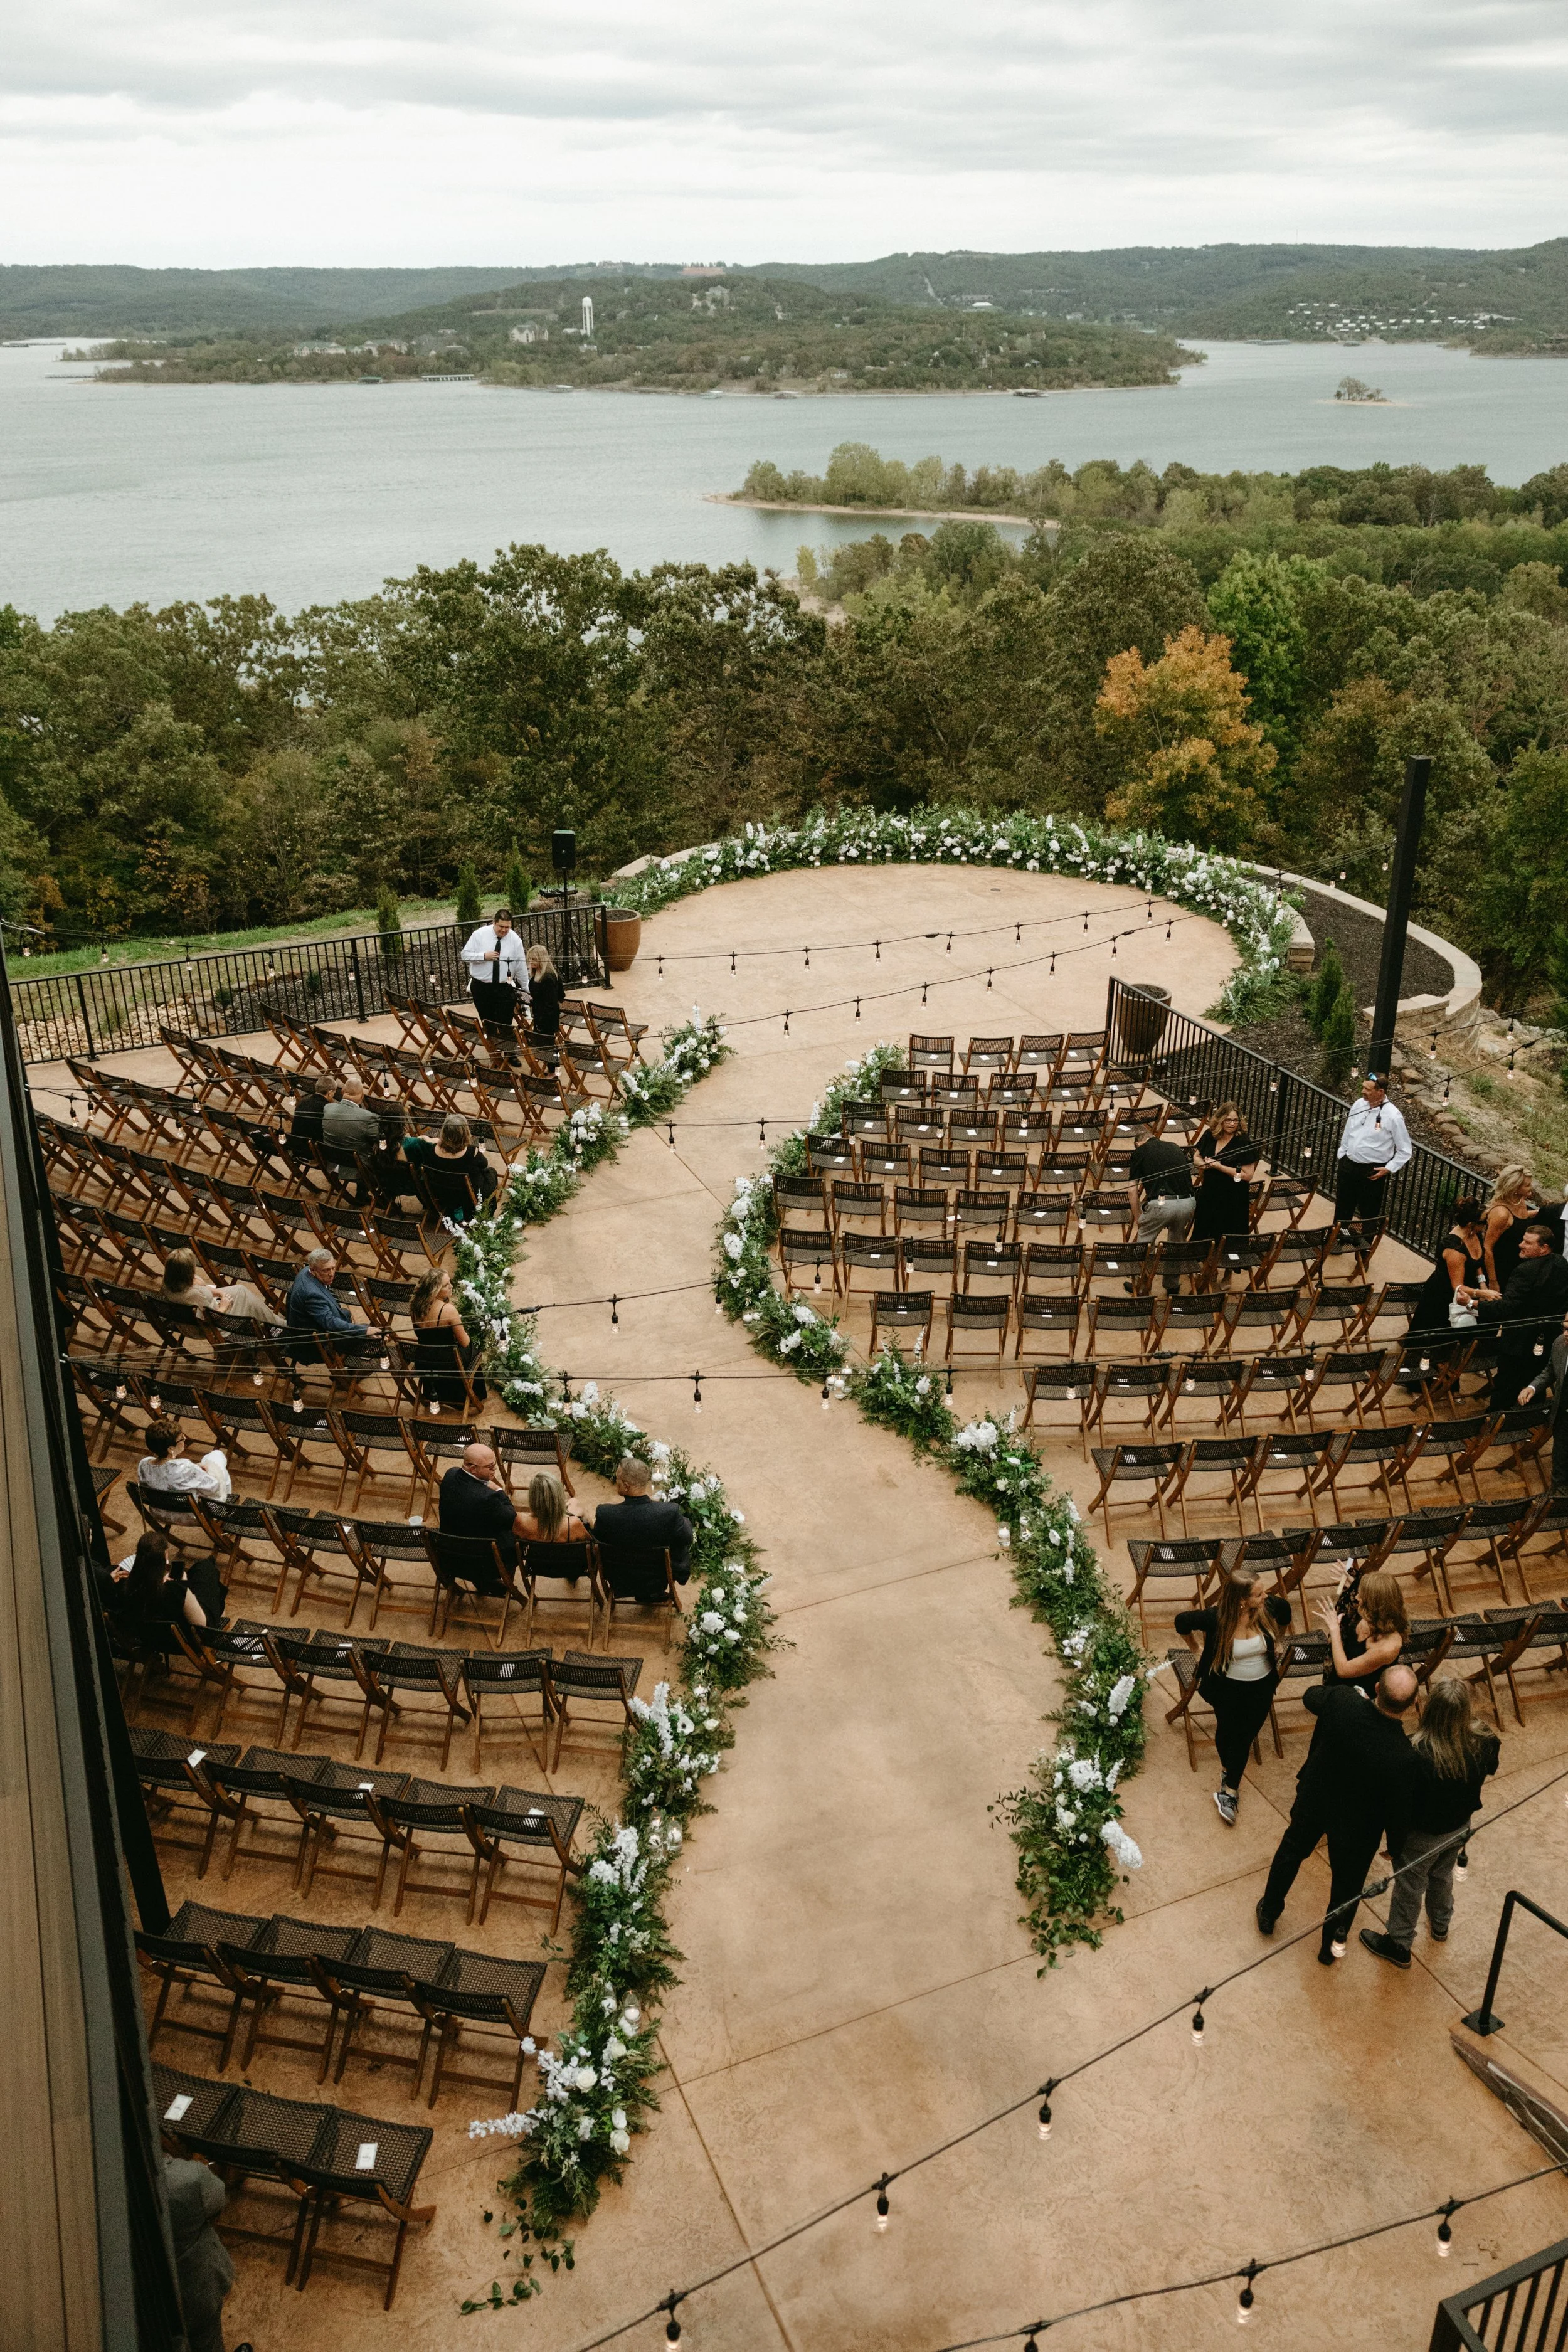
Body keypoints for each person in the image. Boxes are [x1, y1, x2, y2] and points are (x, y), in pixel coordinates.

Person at [1256, 1663, 1420, 1961]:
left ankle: (1269, 1910)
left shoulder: (1344, 1702)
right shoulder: (1405, 1756)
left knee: (1291, 1853)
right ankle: (1330, 1948)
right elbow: (1400, 1809)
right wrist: (1395, 1847)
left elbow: (1310, 1696)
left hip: (1316, 1801)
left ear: (1377, 1689)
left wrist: (1352, 1695)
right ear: (1411, 1706)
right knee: (1346, 1889)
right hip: (1358, 1830)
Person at [1360, 1677, 1501, 1968]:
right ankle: (1440, 1923)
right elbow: (1491, 1767)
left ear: (1427, 1708)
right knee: (1442, 1874)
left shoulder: (1415, 1753)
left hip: (1422, 1835)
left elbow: (1402, 1809)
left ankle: (1399, 1944)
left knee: (1410, 1887)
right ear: (1465, 1710)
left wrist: (1395, 1846)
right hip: (1460, 1827)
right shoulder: (1485, 1739)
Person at [1174, 1569, 1295, 1824]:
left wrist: (1280, 1640)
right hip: (1226, 1688)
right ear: (1242, 1600)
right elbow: (1181, 1622)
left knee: (1244, 1737)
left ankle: (1229, 1788)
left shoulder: (1269, 1607)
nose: (1266, 1596)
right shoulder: (1217, 1618)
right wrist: (1196, 1648)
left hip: (1261, 1687)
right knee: (1229, 1732)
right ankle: (1230, 1780)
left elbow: (1286, 1613)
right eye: (1259, 1594)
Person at [1478, 1222, 1568, 1407]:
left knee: (1506, 1386)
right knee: (1534, 1383)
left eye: (1528, 1243)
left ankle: (1494, 1423)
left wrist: (1472, 1304)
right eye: (1523, 1240)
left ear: (1544, 1248)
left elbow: (1505, 1308)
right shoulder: (1561, 1263)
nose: (1521, 1245)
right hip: (1547, 1340)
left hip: (1518, 1343)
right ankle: (1526, 1423)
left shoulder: (1524, 1271)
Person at [162, 2153, 243, 2352]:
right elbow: (218, 2200)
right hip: (194, 2285)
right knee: (207, 2341)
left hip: (150, 2299)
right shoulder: (189, 2179)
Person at [1404, 1197, 1493, 1369]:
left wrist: (1483, 1283)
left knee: (1452, 1344)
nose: (1486, 1224)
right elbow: (1457, 1287)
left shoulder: (1475, 1234)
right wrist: (1483, 1294)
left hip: (1466, 1293)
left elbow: (1477, 1264)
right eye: (1484, 1221)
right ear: (1470, 1224)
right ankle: (1417, 1380)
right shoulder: (1455, 1249)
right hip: (1442, 1297)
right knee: (1433, 1342)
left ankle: (1444, 1375)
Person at [593, 1454, 694, 1602]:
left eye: (618, 1479)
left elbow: (597, 1540)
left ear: (626, 1486)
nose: (616, 1482)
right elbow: (687, 1538)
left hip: (621, 1576)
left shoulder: (605, 1514)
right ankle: (652, 1592)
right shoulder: (668, 1512)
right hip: (659, 1575)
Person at [1333, 1073, 1411, 1242]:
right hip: (1348, 1165)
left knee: (1368, 1214)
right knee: (1343, 1208)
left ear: (1381, 1093)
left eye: (1367, 1089)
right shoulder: (1359, 1104)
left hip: (1372, 1171)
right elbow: (1348, 1130)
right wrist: (1343, 1153)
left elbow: (1405, 1150)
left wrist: (1388, 1169)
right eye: (1363, 1087)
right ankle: (1338, 1241)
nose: (1363, 1092)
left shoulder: (1393, 1116)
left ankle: (1364, 1251)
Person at [436, 1441, 519, 1594]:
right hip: (481, 1562)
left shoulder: (450, 1474)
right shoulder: (487, 1498)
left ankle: (484, 1583)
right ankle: (486, 1580)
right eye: (490, 1467)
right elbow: (511, 1517)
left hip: (449, 1557)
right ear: (473, 1469)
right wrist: (499, 1490)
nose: (494, 1469)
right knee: (517, 1537)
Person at [108, 1529, 226, 1635]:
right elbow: (203, 1626)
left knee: (201, 1571)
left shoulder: (125, 1587)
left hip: (152, 1637)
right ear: (165, 1555)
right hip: (187, 1637)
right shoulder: (176, 1591)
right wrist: (184, 1584)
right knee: (207, 1570)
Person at [1317, 1568, 1409, 1700]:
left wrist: (1334, 1630)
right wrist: (1355, 1586)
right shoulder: (1373, 1615)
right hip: (1346, 1671)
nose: (1357, 1597)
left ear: (1374, 1605)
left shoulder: (1388, 1646)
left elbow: (1344, 1670)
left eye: (1362, 1596)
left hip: (1358, 1691)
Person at [1125, 1129, 1195, 1293]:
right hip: (1188, 1202)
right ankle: (1172, 1285)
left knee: (1145, 1244)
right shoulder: (1175, 1146)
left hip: (1162, 1204)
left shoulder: (1140, 1151)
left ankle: (1142, 1286)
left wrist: (1138, 1217)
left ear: (1137, 1144)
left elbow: (1132, 1190)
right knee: (1177, 1243)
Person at [409, 1267, 487, 1406]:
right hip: (449, 1363)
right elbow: (464, 1343)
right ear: (435, 1291)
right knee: (473, 1347)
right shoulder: (448, 1311)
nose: (451, 1286)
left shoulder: (415, 1306)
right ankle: (471, 1395)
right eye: (446, 1285)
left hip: (425, 1361)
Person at [401, 1113, 499, 1226]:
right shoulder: (472, 1153)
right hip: (467, 1198)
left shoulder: (433, 1150)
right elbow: (484, 1165)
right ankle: (485, 1214)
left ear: (444, 1132)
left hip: (444, 1196)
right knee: (492, 1172)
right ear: (465, 1133)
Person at [1190, 1101, 1261, 1245]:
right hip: (1209, 1191)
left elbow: (1247, 1175)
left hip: (1232, 1196)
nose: (1232, 1124)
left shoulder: (1243, 1141)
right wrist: (1205, 1165)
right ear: (1220, 1120)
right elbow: (1196, 1157)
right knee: (1202, 1236)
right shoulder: (1210, 1135)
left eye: (1236, 1120)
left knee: (1225, 1241)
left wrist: (1219, 1166)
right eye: (1228, 1120)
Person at [1518, 1308, 1568, 1493]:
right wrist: (1533, 1387)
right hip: (1563, 1415)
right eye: (1564, 1328)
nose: (1565, 1334)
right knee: (1560, 1464)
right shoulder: (1559, 1344)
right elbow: (1550, 1371)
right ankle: (1557, 1505)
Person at [284, 1247, 368, 1357]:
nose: (332, 1274)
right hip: (314, 1345)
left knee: (345, 1314)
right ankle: (348, 1365)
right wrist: (365, 1330)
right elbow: (330, 1323)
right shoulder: (311, 1294)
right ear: (313, 1271)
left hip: (306, 1328)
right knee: (366, 1333)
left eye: (333, 1268)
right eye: (326, 1270)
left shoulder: (305, 1271)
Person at [161, 1248, 273, 1329]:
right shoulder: (195, 1294)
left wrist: (220, 1293)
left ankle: (271, 1323)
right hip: (212, 1325)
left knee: (241, 1290)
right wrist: (224, 1306)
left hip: (188, 1321)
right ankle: (276, 1325)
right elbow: (211, 1318)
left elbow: (201, 1289)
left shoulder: (168, 1285)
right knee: (247, 1299)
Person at [462, 906, 529, 1028]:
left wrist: (527, 988)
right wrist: (483, 956)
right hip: (481, 987)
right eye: (501, 926)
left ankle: (504, 1045)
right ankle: (493, 1045)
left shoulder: (515, 940)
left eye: (507, 927)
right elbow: (465, 955)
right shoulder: (479, 935)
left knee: (505, 1024)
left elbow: (520, 967)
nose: (504, 930)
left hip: (504, 988)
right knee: (488, 1022)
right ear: (494, 923)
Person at [137, 1419, 231, 1503]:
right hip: (192, 1514)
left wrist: (195, 1469)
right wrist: (200, 1471)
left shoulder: (144, 1464)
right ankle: (227, 1506)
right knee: (217, 1456)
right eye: (181, 1438)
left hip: (160, 1511)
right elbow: (213, 1488)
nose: (185, 1439)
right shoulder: (184, 1467)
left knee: (207, 1460)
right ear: (170, 1449)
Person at [1483, 1165, 1540, 1293]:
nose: (1530, 1187)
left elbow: (1521, 1219)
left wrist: (1541, 1213)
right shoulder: (1501, 1214)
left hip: (1516, 1264)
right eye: (1527, 1185)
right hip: (1501, 1267)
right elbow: (1487, 1248)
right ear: (1515, 1188)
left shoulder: (1520, 1201)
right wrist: (1493, 1281)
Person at [516, 1470, 590, 1545]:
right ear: (559, 1497)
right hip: (566, 1555)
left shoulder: (521, 1521)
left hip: (536, 1555)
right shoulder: (573, 1524)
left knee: (574, 1503)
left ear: (532, 1498)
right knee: (574, 1502)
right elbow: (590, 1545)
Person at [524, 944, 565, 1059]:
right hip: (540, 1013)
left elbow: (552, 1002)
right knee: (543, 1045)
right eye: (530, 959)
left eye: (534, 959)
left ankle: (552, 1070)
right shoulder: (537, 973)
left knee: (548, 1045)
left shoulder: (548, 977)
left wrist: (542, 1020)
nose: (531, 962)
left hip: (547, 1016)